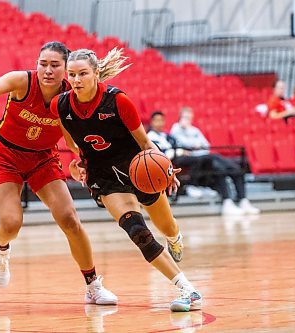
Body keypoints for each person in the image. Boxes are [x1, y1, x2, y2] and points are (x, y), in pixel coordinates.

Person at [0, 41, 117, 305]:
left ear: (66, 69)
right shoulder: (23, 82)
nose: (48, 70)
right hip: (6, 155)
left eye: (55, 65)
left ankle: (92, 285)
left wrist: (82, 159)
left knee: (69, 218)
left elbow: (71, 137)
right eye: (43, 64)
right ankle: (1, 250)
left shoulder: (70, 96)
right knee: (11, 224)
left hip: (43, 158)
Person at [51, 48, 201, 312]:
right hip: (105, 177)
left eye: (83, 73)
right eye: (72, 74)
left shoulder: (118, 101)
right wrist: (77, 165)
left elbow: (145, 142)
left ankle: (175, 236)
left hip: (138, 169)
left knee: (165, 225)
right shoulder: (60, 105)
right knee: (138, 232)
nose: (76, 79)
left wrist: (165, 170)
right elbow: (74, 146)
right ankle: (188, 290)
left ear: (96, 73)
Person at [170, 107, 260, 215]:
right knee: (215, 162)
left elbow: (206, 145)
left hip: (204, 156)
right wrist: (193, 144)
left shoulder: (194, 130)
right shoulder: (176, 128)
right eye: (185, 117)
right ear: (180, 117)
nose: (187, 120)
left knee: (234, 169)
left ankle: (243, 200)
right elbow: (184, 143)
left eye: (189, 117)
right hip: (193, 159)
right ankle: (227, 201)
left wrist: (196, 145)